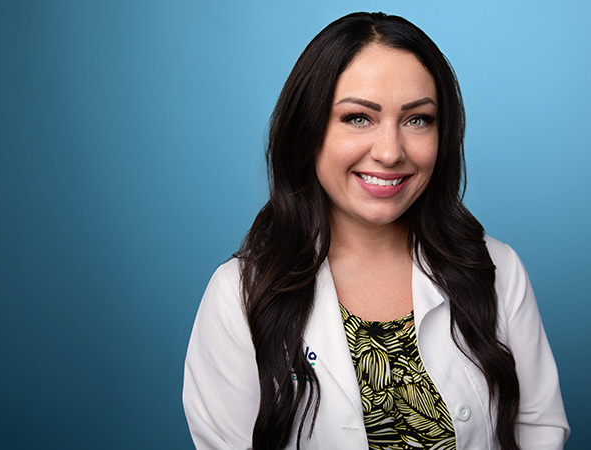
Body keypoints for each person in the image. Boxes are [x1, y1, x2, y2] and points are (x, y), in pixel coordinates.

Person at [183, 12, 569, 450]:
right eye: (358, 118)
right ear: (308, 130)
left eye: (417, 119)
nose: (390, 152)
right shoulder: (240, 295)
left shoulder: (497, 268)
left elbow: (539, 429)